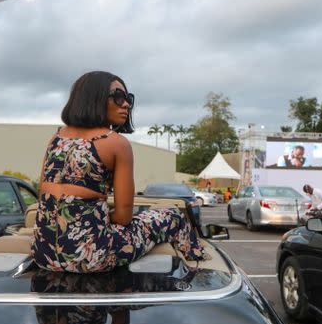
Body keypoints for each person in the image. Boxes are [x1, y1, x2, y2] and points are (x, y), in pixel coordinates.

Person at [31, 71, 207, 272]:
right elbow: (124, 217)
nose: (126, 104)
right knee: (173, 215)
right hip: (92, 257)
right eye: (118, 97)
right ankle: (197, 260)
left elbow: (44, 197)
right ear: (94, 98)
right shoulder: (116, 143)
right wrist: (93, 218)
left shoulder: (55, 138)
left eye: (128, 98)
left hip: (43, 254)